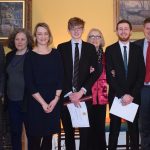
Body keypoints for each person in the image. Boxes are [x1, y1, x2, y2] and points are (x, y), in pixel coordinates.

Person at [57, 17, 99, 150]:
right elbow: (59, 72)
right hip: (66, 97)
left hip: (84, 97)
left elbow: (95, 72)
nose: (76, 31)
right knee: (68, 133)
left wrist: (81, 92)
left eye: (79, 28)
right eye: (73, 28)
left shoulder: (90, 48)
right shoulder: (61, 47)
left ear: (83, 29)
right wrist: (70, 93)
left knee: (84, 134)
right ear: (69, 30)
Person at [105, 19, 145, 150]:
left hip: (134, 98)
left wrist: (131, 95)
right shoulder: (110, 50)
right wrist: (122, 95)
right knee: (114, 130)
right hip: (116, 97)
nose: (123, 31)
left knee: (134, 131)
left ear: (131, 32)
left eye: (126, 29)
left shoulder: (137, 50)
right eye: (120, 29)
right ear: (117, 31)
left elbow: (141, 75)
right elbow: (110, 77)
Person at [24, 22, 63, 150]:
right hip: (35, 103)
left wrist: (55, 99)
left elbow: (60, 78)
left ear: (49, 35)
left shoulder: (56, 53)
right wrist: (43, 103)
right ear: (35, 36)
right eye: (39, 34)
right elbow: (29, 83)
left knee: (48, 139)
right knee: (34, 140)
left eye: (45, 33)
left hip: (53, 102)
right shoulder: (29, 56)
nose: (43, 36)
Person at [5, 28, 33, 150]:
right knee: (15, 133)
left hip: (28, 101)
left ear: (28, 41)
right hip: (12, 101)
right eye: (17, 39)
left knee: (31, 133)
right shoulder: (9, 55)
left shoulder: (33, 55)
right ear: (13, 41)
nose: (19, 42)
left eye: (23, 39)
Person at [87, 28, 108, 150]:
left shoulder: (107, 55)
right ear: (88, 39)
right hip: (87, 97)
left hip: (102, 98)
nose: (95, 39)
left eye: (97, 36)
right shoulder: (83, 55)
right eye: (92, 36)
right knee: (88, 130)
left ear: (101, 39)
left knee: (100, 129)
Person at [134, 17, 150, 150]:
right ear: (143, 29)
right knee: (143, 124)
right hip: (142, 89)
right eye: (148, 28)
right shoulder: (136, 46)